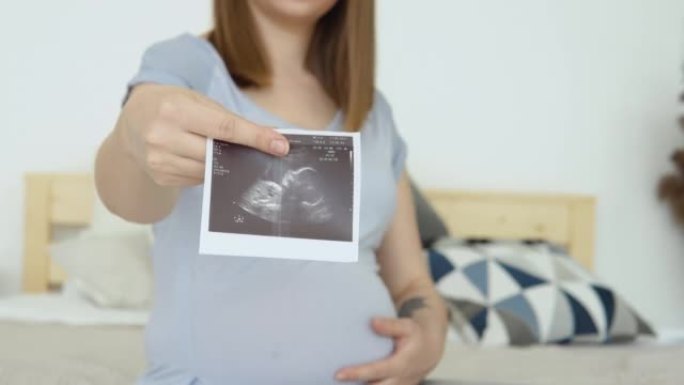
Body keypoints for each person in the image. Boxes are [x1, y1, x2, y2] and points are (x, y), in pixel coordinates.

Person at [95, 0, 448, 384]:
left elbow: (412, 284)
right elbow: (129, 201)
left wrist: (429, 337)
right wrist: (132, 133)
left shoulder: (375, 112)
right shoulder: (185, 68)